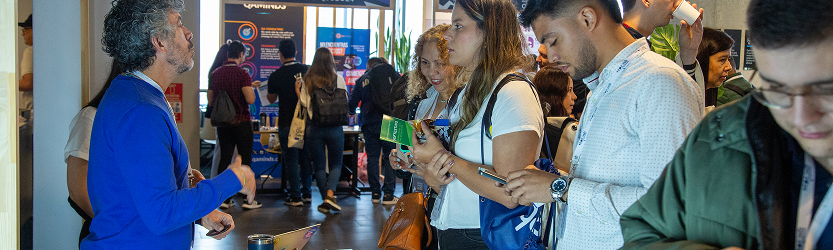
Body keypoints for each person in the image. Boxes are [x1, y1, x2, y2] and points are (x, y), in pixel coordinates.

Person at [620, 0, 833, 248]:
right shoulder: (720, 135)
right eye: (777, 89)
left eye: (825, 90)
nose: (800, 118)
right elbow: (640, 233)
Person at [505, 0, 704, 249]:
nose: (552, 57)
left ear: (588, 18)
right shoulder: (601, 87)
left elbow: (669, 205)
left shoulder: (659, 82)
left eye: (553, 41)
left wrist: (560, 188)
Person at [83, 0, 256, 248]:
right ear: (159, 42)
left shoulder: (138, 95)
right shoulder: (140, 110)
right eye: (179, 25)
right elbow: (161, 214)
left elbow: (142, 197)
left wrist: (199, 212)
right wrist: (234, 178)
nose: (189, 33)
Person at [400, 0, 546, 248]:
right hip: (455, 229)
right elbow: (461, 177)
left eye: (458, 26)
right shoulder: (471, 92)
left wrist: (444, 158)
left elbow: (511, 192)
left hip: (485, 235)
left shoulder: (513, 93)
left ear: (489, 31)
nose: (447, 35)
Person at [64, 61, 123, 246]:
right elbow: (79, 191)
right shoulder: (92, 116)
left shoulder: (156, 115)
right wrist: (124, 229)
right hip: (112, 237)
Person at [208, 40, 262, 210]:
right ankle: (248, 200)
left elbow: (210, 100)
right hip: (241, 122)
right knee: (245, 160)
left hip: (223, 124)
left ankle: (224, 199)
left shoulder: (215, 74)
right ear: (241, 55)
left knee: (225, 159)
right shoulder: (242, 74)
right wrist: (248, 88)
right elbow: (250, 99)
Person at [621, 0, 707, 100]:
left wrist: (689, 53)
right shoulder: (618, 49)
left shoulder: (632, 45)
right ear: (646, 1)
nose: (677, 4)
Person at [348, 57, 402, 204]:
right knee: (390, 156)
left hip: (369, 122)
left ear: (369, 66)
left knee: (372, 158)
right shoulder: (394, 75)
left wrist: (351, 111)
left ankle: (375, 194)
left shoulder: (363, 79)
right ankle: (389, 195)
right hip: (389, 121)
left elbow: (352, 103)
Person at [266, 39, 313, 206]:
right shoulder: (307, 70)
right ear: (296, 53)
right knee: (305, 158)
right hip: (307, 122)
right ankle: (307, 192)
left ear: (280, 55)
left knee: (291, 159)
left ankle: (295, 196)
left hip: (287, 122)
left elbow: (270, 99)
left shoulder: (275, 75)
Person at [303, 47, 348, 213]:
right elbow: (345, 101)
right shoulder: (339, 79)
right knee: (336, 162)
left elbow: (304, 104)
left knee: (319, 165)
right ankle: (330, 196)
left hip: (314, 127)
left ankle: (325, 199)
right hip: (335, 126)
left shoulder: (307, 80)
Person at [696, 27, 734, 107]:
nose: (729, 67)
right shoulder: (684, 100)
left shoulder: (707, 97)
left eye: (728, 59)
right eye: (722, 59)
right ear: (702, 59)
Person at [18, 14, 33, 116]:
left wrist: (5, 83)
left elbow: (28, 83)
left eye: (25, 30)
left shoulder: (30, 51)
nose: (23, 34)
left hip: (34, 111)